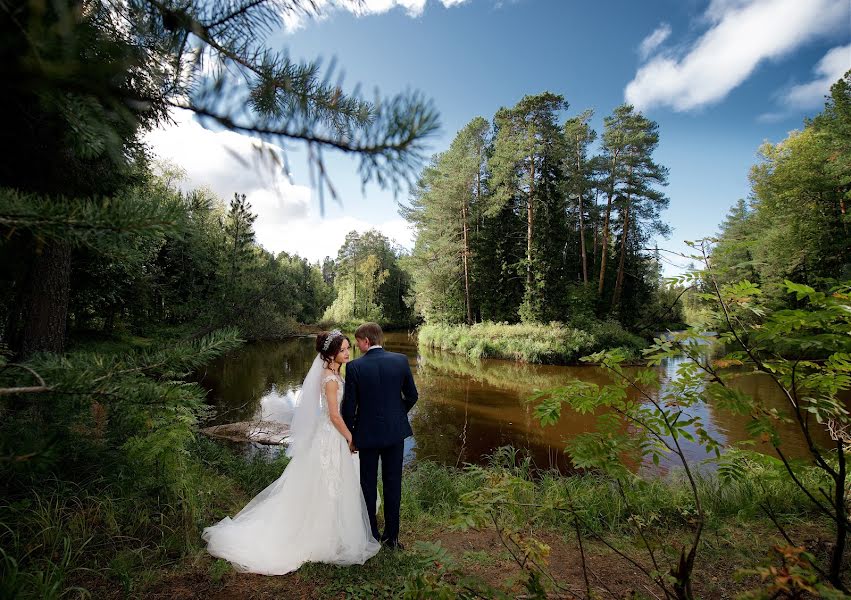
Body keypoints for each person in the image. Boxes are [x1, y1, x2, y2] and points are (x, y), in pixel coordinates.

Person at [202, 331, 380, 575]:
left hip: (333, 435)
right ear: (330, 354)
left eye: (349, 348)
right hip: (331, 436)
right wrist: (351, 437)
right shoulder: (329, 379)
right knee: (327, 482)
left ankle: (336, 531)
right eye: (343, 350)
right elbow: (334, 415)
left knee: (336, 483)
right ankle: (321, 536)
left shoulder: (336, 373)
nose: (348, 353)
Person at [342, 322, 418, 550]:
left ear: (366, 341)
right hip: (395, 434)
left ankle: (371, 535)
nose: (356, 345)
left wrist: (350, 435)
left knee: (368, 483)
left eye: (357, 341)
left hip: (367, 434)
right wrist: (396, 415)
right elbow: (412, 396)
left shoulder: (355, 367)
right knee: (393, 483)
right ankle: (392, 538)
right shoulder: (400, 360)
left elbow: (349, 407)